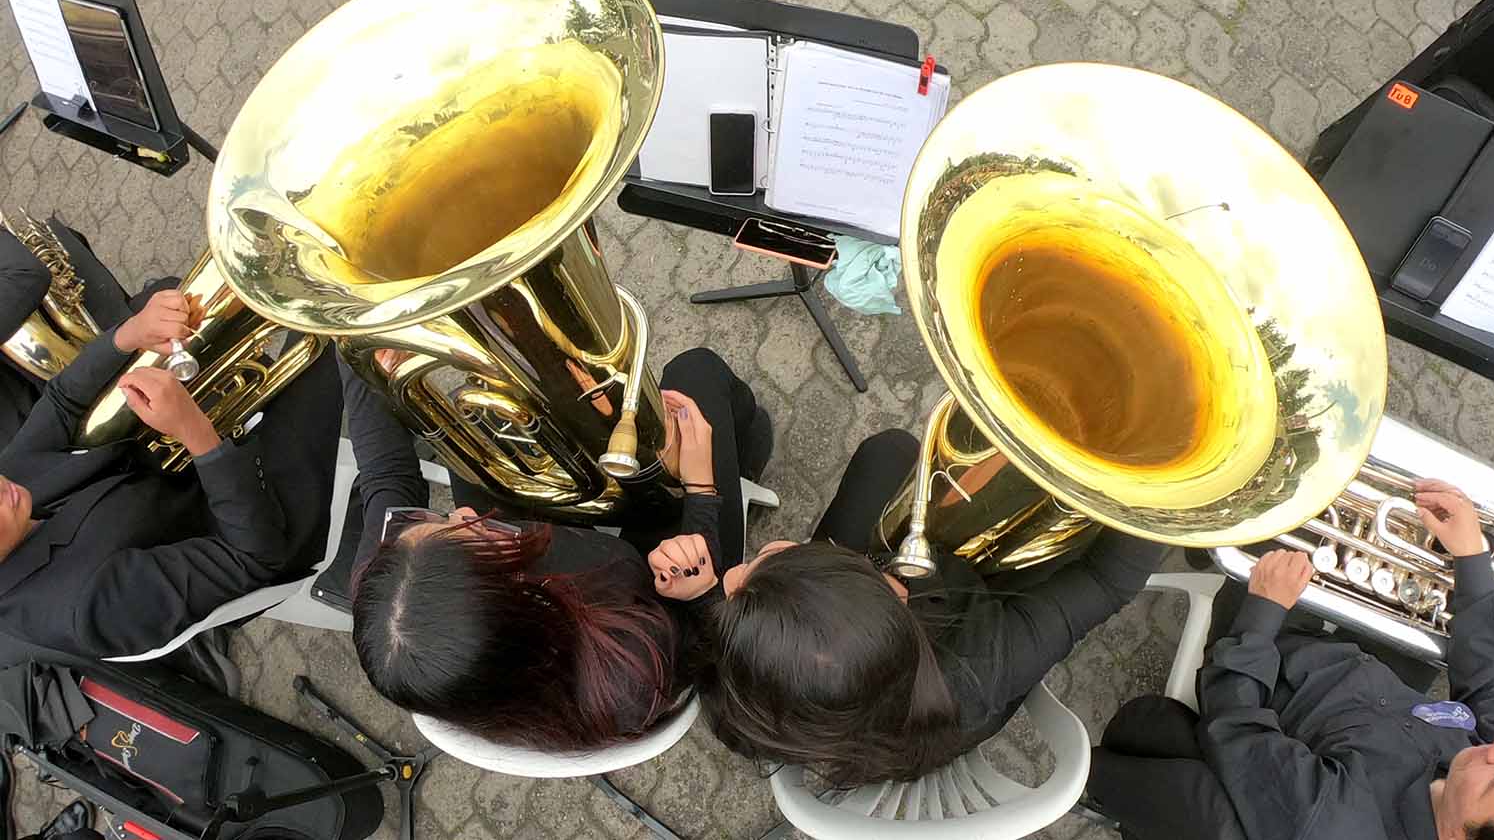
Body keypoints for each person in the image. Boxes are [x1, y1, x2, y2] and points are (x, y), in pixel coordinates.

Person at [345, 346, 769, 750]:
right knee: (696, 371)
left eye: (433, 523)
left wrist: (363, 358)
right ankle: (749, 445)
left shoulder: (389, 589)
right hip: (671, 577)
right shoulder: (628, 667)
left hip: (569, 547)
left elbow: (386, 476)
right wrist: (701, 491)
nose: (459, 515)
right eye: (469, 534)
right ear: (519, 602)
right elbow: (708, 636)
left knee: (476, 412)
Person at [1087, 479, 1494, 840]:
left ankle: (1195, 519)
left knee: (1276, 502)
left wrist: (1266, 607)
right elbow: (1490, 687)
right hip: (1370, 678)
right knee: (1403, 549)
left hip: (1270, 654)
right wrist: (1472, 558)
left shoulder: (1330, 821)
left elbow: (1237, 723)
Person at [694, 428, 1166, 787]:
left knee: (890, 450)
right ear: (897, 591)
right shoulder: (981, 666)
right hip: (981, 603)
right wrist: (1154, 477)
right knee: (1070, 553)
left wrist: (702, 590)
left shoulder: (760, 693)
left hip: (881, 628)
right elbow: (1108, 580)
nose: (732, 575)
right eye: (763, 562)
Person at [0, 290, 342, 661]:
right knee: (329, 324)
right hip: (263, 524)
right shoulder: (87, 609)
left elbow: (61, 403)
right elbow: (255, 558)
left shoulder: (10, 499)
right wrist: (193, 430)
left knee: (202, 305)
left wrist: (131, 334)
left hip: (178, 471)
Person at [0, 217, 153, 444]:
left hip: (48, 391)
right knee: (167, 299)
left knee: (61, 241)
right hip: (69, 410)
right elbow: (26, 275)